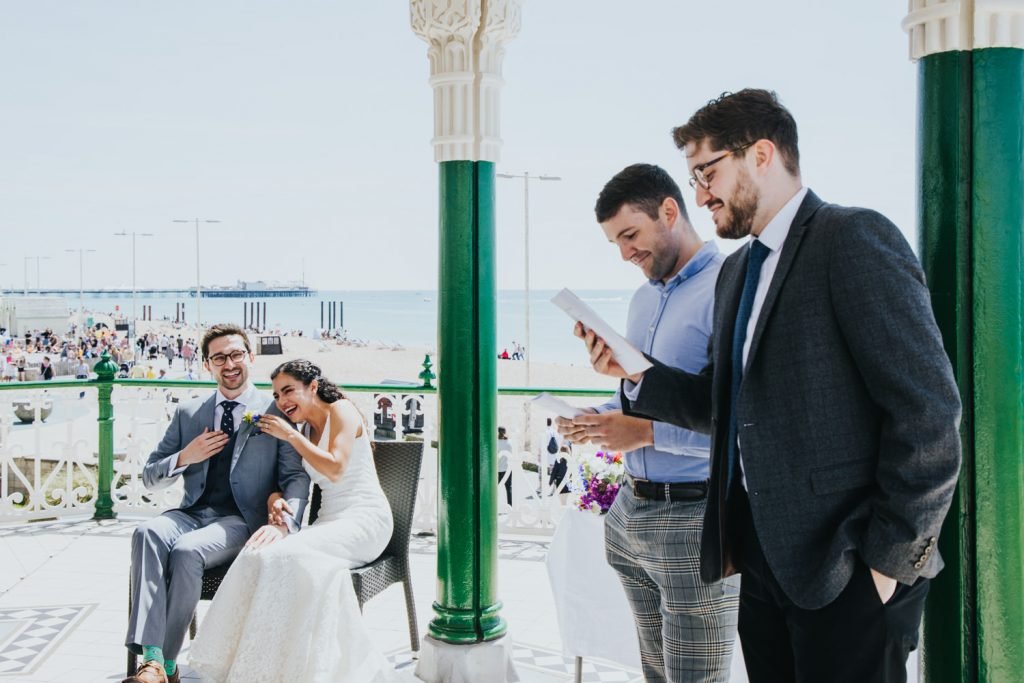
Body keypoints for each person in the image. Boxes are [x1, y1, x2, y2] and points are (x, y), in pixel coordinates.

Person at [579, 90, 962, 683]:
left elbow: (929, 414)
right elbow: (727, 407)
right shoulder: (737, 271)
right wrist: (634, 374)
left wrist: (887, 566)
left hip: (849, 574)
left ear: (761, 154)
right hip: (759, 564)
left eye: (707, 172)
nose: (700, 193)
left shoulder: (853, 238)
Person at [558, 163, 739, 682]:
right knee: (657, 674)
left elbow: (742, 421)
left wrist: (643, 434)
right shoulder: (642, 300)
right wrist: (598, 418)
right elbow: (647, 395)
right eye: (615, 242)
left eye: (631, 235)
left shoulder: (728, 289)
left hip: (695, 517)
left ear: (669, 211)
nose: (625, 253)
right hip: (630, 512)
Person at [122, 324, 310, 683]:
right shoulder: (189, 412)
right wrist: (184, 457)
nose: (229, 364)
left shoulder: (275, 410)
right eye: (219, 357)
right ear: (207, 364)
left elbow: (295, 477)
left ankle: (164, 665)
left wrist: (285, 522)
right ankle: (155, 660)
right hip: (190, 512)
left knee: (187, 552)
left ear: (250, 357)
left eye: (236, 354)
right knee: (147, 532)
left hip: (239, 520)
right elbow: (149, 475)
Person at [189, 359, 395, 683]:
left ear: (312, 387)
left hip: (364, 521)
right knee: (258, 551)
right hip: (329, 521)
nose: (283, 401)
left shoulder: (340, 411)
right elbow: (293, 480)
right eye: (277, 394)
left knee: (286, 556)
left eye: (289, 391)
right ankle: (256, 664)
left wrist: (290, 436)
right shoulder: (300, 427)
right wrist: (276, 499)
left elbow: (336, 469)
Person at [497, 426, 512, 506]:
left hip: (498, 469)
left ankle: (494, 505)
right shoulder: (510, 442)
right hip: (507, 469)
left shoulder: (495, 443)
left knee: (495, 489)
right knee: (509, 488)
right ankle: (510, 506)